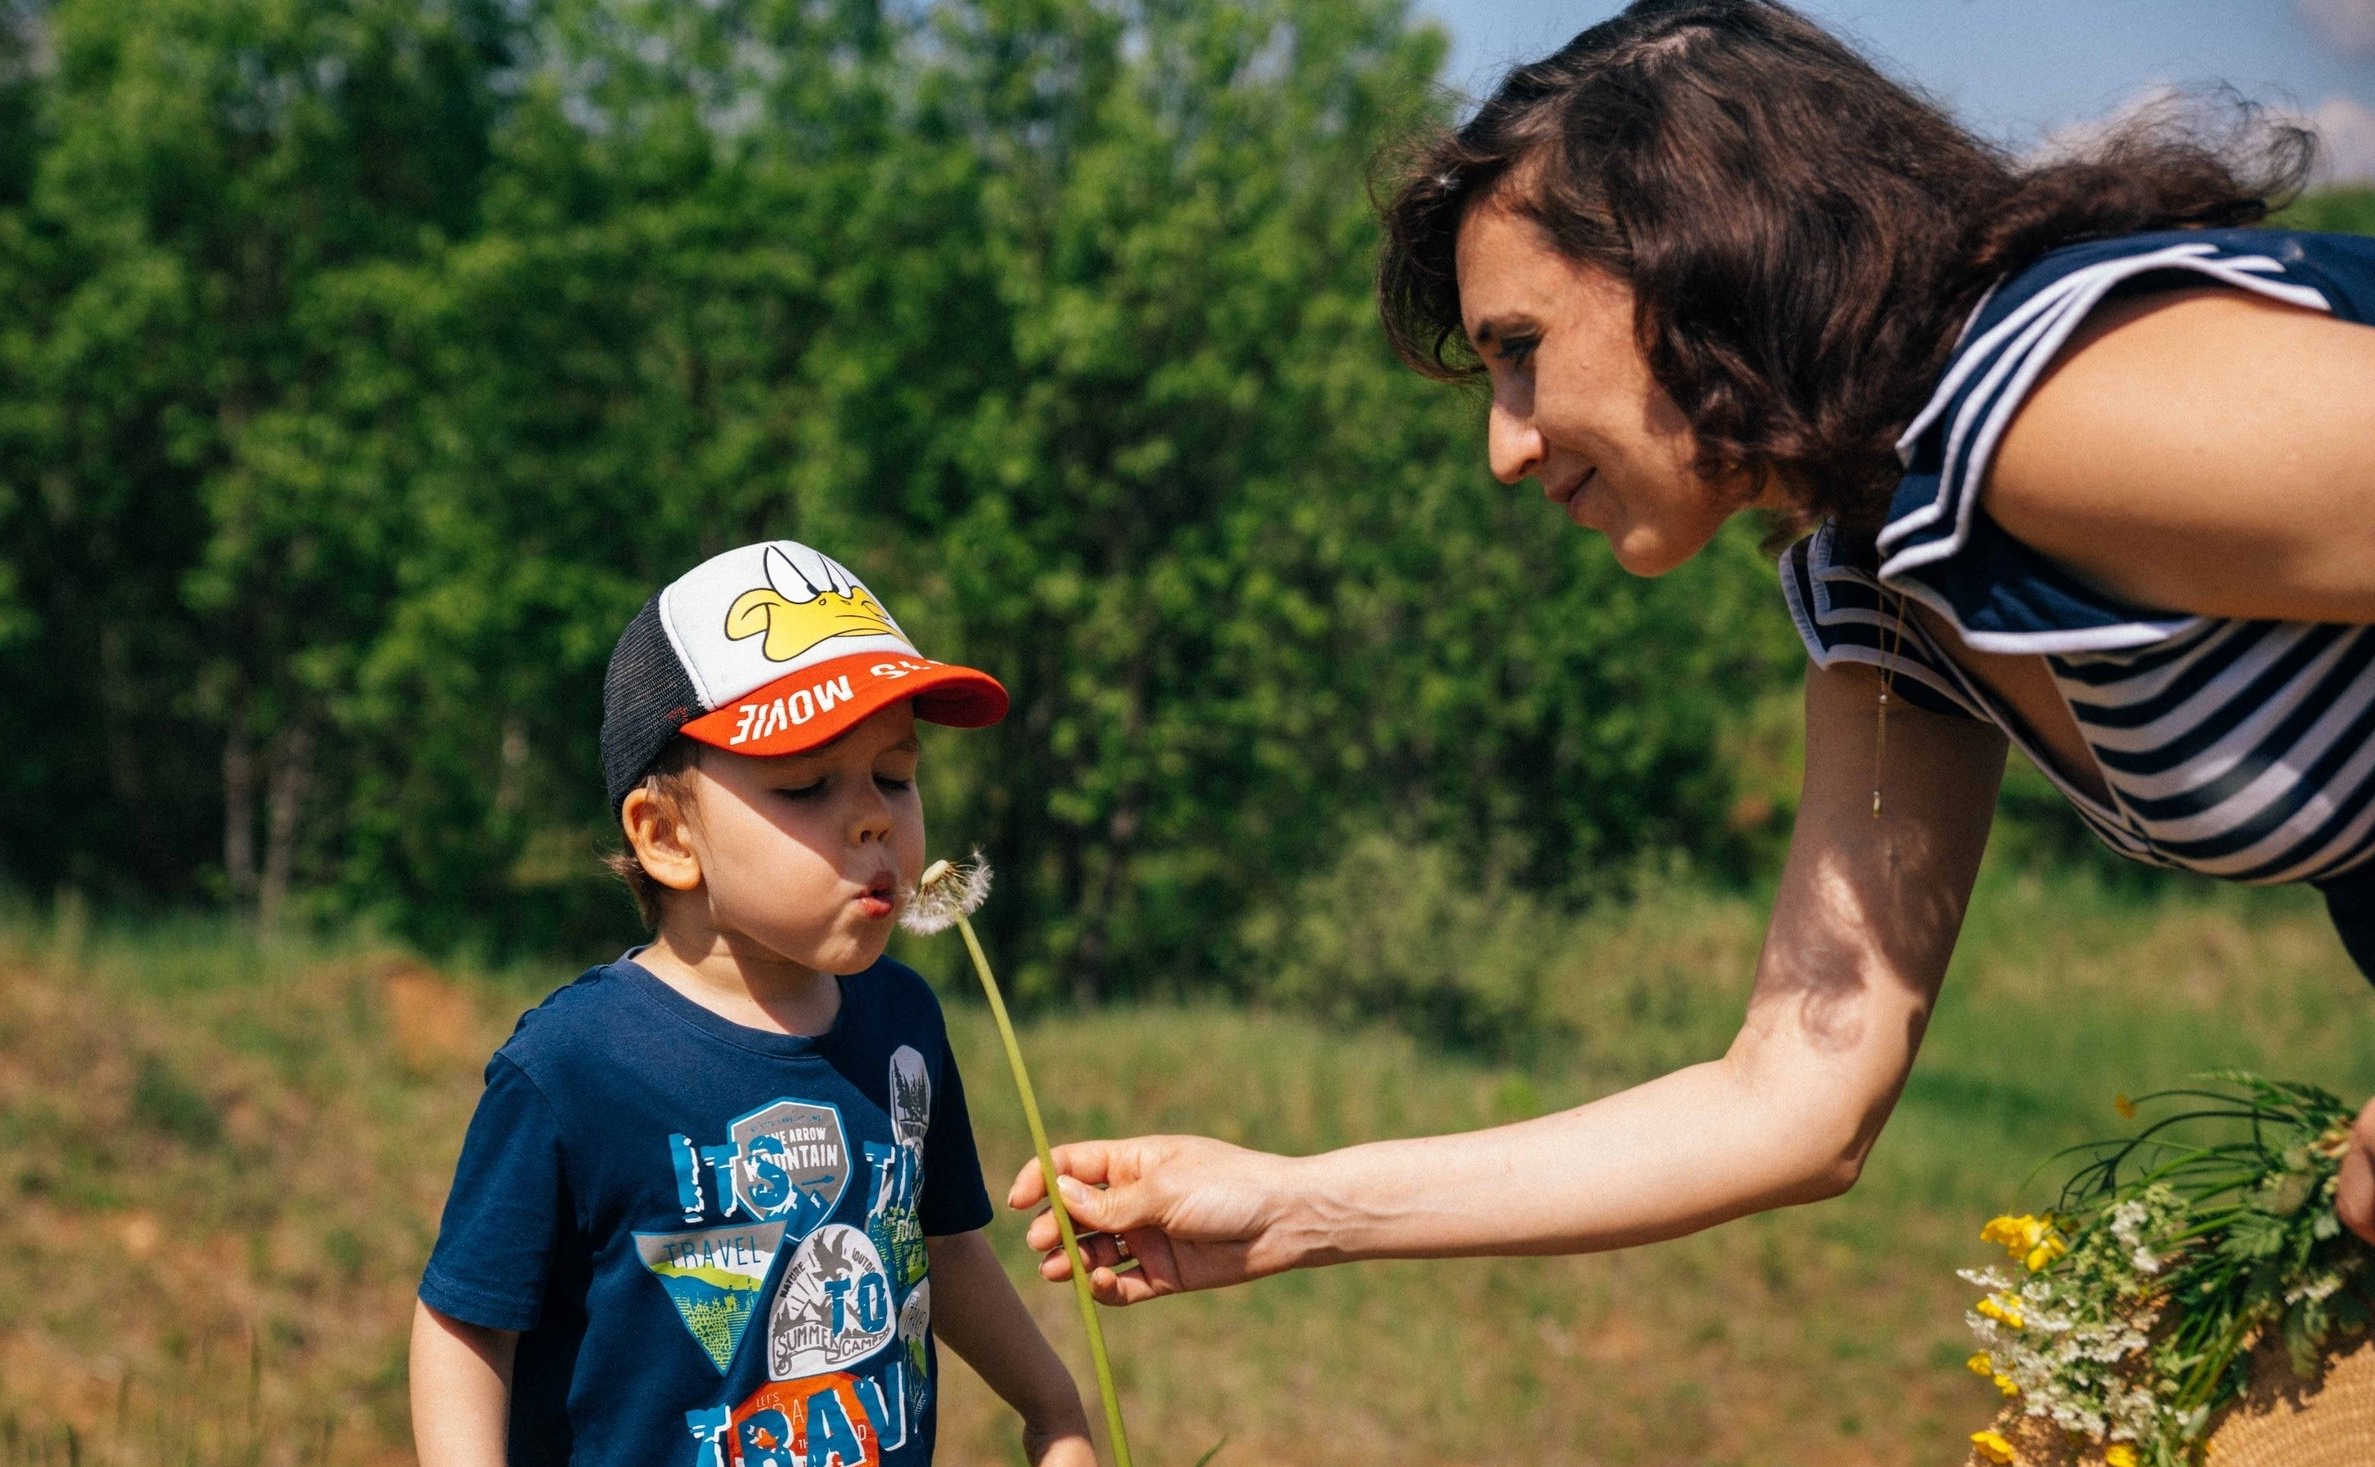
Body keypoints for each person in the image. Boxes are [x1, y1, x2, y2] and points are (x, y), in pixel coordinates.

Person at [1004, 0, 2375, 1300]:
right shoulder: (1883, 571)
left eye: (1522, 348)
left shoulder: (2034, 406)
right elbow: (1796, 1093)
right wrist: (1299, 1204)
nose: (1505, 443)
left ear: (1698, 257)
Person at [409, 542, 1112, 1467]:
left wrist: (1052, 1406)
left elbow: (938, 1249)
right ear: (666, 835)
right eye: (804, 788)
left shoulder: (901, 1020)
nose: (871, 824)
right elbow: (459, 1332)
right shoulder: (574, 1070)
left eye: (893, 775)